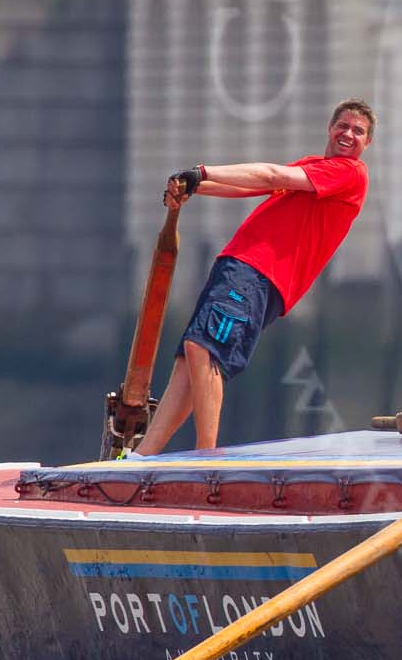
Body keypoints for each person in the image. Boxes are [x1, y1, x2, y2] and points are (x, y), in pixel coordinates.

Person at [134, 100, 375, 455]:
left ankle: (206, 461)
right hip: (241, 268)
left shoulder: (349, 173)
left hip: (258, 273)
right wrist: (195, 187)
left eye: (358, 131)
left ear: (366, 143)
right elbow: (253, 187)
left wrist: (202, 171)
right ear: (330, 127)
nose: (348, 134)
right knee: (189, 363)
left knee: (204, 349)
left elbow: (271, 176)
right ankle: (142, 458)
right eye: (343, 125)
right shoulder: (315, 168)